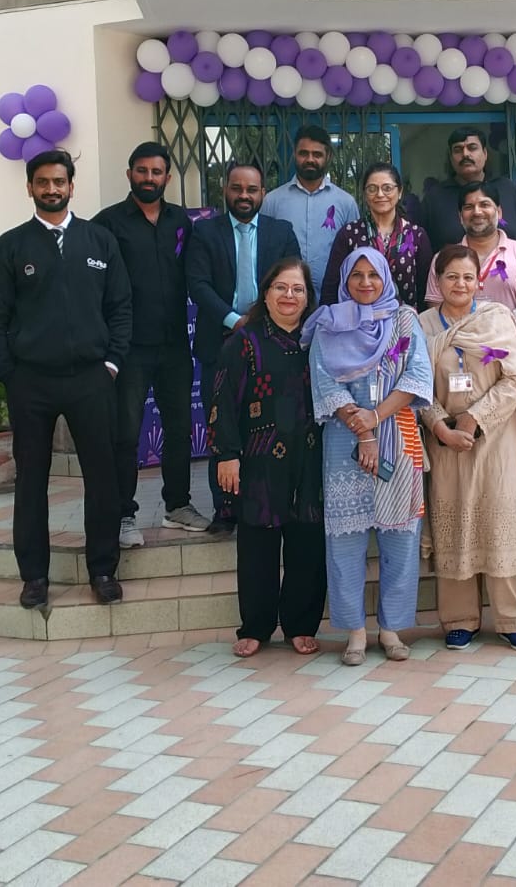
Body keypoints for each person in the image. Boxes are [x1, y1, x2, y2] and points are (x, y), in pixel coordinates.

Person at [0, 149, 132, 610]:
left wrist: (111, 364)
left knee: (102, 477)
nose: (52, 189)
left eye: (59, 182)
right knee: (30, 480)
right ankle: (34, 577)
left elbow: (121, 308)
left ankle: (103, 570)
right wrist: (10, 375)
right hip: (31, 382)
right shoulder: (9, 247)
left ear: (71, 186)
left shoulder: (100, 241)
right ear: (30, 187)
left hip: (91, 378)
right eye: (43, 182)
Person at [306, 248, 434, 666]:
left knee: (402, 538)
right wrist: (363, 430)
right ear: (344, 280)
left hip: (399, 436)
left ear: (386, 279)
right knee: (345, 541)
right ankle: (355, 632)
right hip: (344, 442)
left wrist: (376, 418)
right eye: (356, 275)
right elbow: (325, 381)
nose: (365, 283)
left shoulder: (404, 320)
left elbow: (417, 377)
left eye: (373, 275)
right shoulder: (329, 323)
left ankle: (392, 629)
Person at [420, 245, 516, 652]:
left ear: (479, 282)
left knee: (499, 520)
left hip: (496, 440)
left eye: (468, 277)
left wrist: (474, 418)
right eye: (451, 276)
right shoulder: (422, 326)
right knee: (455, 527)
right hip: (446, 445)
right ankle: (459, 620)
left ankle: (511, 619)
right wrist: (441, 426)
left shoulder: (496, 319)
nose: (460, 284)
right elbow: (414, 384)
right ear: (438, 281)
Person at [209, 258, 325, 659]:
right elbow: (222, 402)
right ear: (266, 292)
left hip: (311, 458)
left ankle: (300, 625)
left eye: (298, 289)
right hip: (259, 461)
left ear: (308, 297)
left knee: (307, 544)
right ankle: (255, 626)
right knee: (258, 546)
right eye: (281, 287)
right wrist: (227, 455)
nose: (289, 295)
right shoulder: (244, 342)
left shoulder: (319, 340)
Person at [186, 163, 301, 534]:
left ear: (263, 193)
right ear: (226, 190)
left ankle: (270, 500)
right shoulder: (205, 232)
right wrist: (236, 321)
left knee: (268, 424)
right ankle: (225, 510)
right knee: (222, 422)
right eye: (237, 188)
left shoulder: (281, 232)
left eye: (252, 189)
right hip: (221, 340)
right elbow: (198, 284)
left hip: (272, 341)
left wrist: (262, 323)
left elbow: (293, 279)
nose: (244, 196)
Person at [92, 142, 194, 550]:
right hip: (128, 348)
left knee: (180, 428)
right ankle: (123, 514)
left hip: (175, 345)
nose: (149, 178)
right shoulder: (106, 224)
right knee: (126, 433)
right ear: (129, 173)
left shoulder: (181, 221)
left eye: (156, 172)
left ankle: (178, 506)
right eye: (142, 171)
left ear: (167, 177)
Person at [321, 162, 434, 310]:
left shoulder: (416, 236)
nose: (380, 194)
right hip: (357, 321)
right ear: (365, 194)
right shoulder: (349, 234)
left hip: (404, 320)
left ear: (400, 192)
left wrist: (420, 322)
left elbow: (425, 290)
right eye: (372, 189)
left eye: (387, 188)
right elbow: (331, 287)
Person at [261, 125, 360, 286]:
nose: (310, 160)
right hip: (286, 296)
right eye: (303, 153)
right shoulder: (272, 201)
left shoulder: (346, 203)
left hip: (333, 295)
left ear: (328, 156)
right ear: (294, 154)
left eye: (317, 154)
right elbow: (262, 252)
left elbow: (355, 254)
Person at [424, 182, 516, 312]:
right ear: (460, 216)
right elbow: (435, 314)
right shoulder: (443, 258)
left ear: (499, 212)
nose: (477, 212)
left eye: (484, 205)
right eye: (469, 207)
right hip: (456, 326)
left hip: (510, 326)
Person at [419, 126, 516, 250]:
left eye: (472, 148)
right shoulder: (435, 198)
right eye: (458, 150)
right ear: (451, 158)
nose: (465, 154)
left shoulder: (508, 190)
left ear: (485, 153)